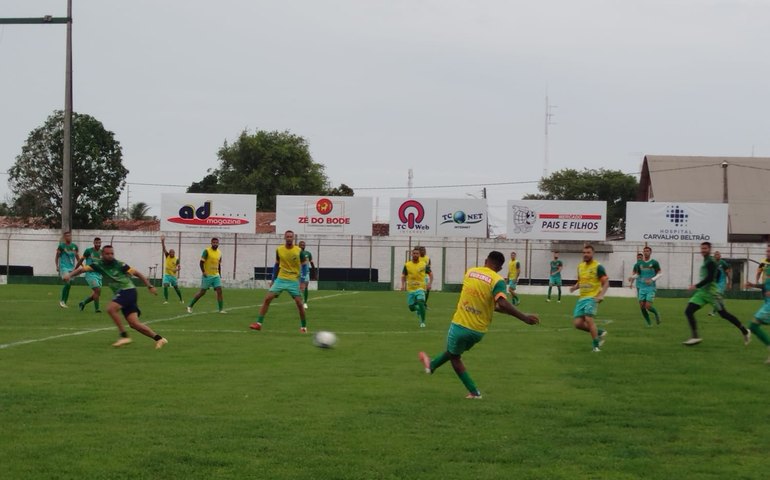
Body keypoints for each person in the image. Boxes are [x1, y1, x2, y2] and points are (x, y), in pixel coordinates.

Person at [418, 251, 539, 399]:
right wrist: (523, 316)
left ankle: (474, 392)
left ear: (485, 260)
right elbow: (498, 305)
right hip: (478, 331)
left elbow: (500, 303)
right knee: (453, 352)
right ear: (500, 268)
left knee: (454, 357)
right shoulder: (498, 280)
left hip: (460, 324)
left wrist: (524, 318)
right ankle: (431, 365)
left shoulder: (470, 272)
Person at [64, 245, 168, 349]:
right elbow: (82, 270)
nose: (110, 255)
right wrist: (69, 275)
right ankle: (159, 339)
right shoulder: (98, 264)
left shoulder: (120, 264)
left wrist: (149, 286)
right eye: (107, 254)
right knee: (134, 324)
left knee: (111, 309)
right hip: (125, 293)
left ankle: (124, 336)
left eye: (112, 253)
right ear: (102, 254)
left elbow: (137, 273)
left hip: (128, 290)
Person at [683, 242, 750, 346]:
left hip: (712, 294)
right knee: (688, 311)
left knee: (724, 314)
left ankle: (745, 331)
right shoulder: (707, 260)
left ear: (709, 249)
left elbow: (710, 278)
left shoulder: (710, 261)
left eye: (705, 248)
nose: (703, 250)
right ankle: (695, 337)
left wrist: (696, 285)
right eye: (702, 248)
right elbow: (717, 273)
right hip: (702, 293)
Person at [250, 230, 307, 332]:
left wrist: (302, 282)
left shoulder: (299, 251)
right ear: (284, 238)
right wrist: (273, 279)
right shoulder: (279, 250)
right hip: (281, 278)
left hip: (293, 280)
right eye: (287, 236)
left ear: (293, 238)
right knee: (267, 299)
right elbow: (276, 265)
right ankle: (258, 324)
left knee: (299, 303)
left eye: (291, 237)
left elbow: (305, 266)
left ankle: (303, 327)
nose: (289, 238)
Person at [570, 244, 610, 352]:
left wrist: (601, 295)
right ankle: (599, 332)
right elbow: (581, 281)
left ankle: (596, 346)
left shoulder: (598, 267)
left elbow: (606, 283)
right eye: (584, 252)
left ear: (593, 253)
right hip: (582, 298)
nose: (585, 254)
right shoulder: (580, 266)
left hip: (592, 297)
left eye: (588, 252)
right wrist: (574, 287)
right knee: (578, 324)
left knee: (588, 319)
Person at [745, 244, 770, 364]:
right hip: (767, 302)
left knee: (753, 325)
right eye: (767, 251)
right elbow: (766, 285)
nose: (767, 253)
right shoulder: (767, 267)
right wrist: (753, 285)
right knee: (753, 326)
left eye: (769, 251)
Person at [187, 237, 225, 314]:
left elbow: (218, 264)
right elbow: (201, 262)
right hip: (207, 275)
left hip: (216, 275)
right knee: (202, 292)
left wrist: (220, 274)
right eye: (214, 242)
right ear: (211, 243)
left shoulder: (219, 253)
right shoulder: (206, 251)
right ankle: (190, 306)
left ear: (218, 243)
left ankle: (221, 310)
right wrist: (203, 272)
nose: (215, 244)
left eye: (216, 243)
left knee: (219, 291)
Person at [628, 246, 662, 326]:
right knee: (642, 306)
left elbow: (660, 274)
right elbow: (638, 274)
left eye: (647, 251)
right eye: (645, 251)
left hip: (651, 287)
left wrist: (652, 279)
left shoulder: (654, 262)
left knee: (648, 306)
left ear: (650, 252)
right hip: (642, 287)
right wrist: (632, 277)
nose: (646, 252)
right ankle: (649, 323)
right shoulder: (640, 264)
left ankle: (656, 313)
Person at [401, 247, 433, 328]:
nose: (415, 255)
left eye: (417, 253)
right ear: (412, 254)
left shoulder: (423, 264)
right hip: (411, 289)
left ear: (419, 255)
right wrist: (402, 285)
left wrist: (429, 283)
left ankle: (422, 322)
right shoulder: (407, 265)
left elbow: (431, 274)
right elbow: (403, 275)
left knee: (420, 302)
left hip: (420, 287)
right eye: (414, 253)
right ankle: (418, 309)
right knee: (411, 308)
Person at [76, 237, 102, 313]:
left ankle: (83, 303)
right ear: (93, 243)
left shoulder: (102, 252)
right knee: (97, 290)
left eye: (99, 243)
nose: (98, 244)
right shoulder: (88, 251)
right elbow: (81, 260)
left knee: (97, 293)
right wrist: (76, 269)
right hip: (90, 274)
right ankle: (97, 309)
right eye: (96, 243)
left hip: (99, 274)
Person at [55, 231, 80, 308]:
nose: (68, 237)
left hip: (72, 268)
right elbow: (57, 257)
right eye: (67, 236)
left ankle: (64, 303)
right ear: (64, 237)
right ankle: (62, 301)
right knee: (68, 283)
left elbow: (78, 258)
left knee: (69, 286)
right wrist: (57, 266)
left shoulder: (74, 246)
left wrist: (82, 266)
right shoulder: (61, 246)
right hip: (64, 267)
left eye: (69, 235)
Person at [161, 234, 183, 304]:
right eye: (170, 252)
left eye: (173, 252)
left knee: (176, 288)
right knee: (165, 285)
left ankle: (181, 299)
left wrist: (176, 270)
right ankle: (166, 300)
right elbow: (164, 249)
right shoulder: (167, 256)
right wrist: (162, 241)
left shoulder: (176, 259)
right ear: (169, 253)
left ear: (174, 253)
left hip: (173, 276)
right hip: (167, 275)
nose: (171, 253)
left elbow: (179, 267)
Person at [709, 251, 731, 316]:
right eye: (715, 255)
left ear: (720, 256)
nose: (717, 256)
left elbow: (728, 273)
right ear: (714, 256)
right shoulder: (713, 263)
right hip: (715, 283)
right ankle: (723, 308)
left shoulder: (723, 263)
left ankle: (713, 312)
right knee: (718, 298)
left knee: (718, 296)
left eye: (718, 254)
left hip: (722, 282)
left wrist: (729, 282)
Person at [298, 240, 315, 309]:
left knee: (305, 287)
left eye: (304, 245)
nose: (303, 246)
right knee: (298, 288)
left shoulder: (308, 253)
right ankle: (299, 302)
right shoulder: (296, 253)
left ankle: (305, 302)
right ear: (299, 246)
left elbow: (311, 263)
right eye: (301, 245)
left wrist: (314, 272)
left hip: (306, 272)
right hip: (297, 272)